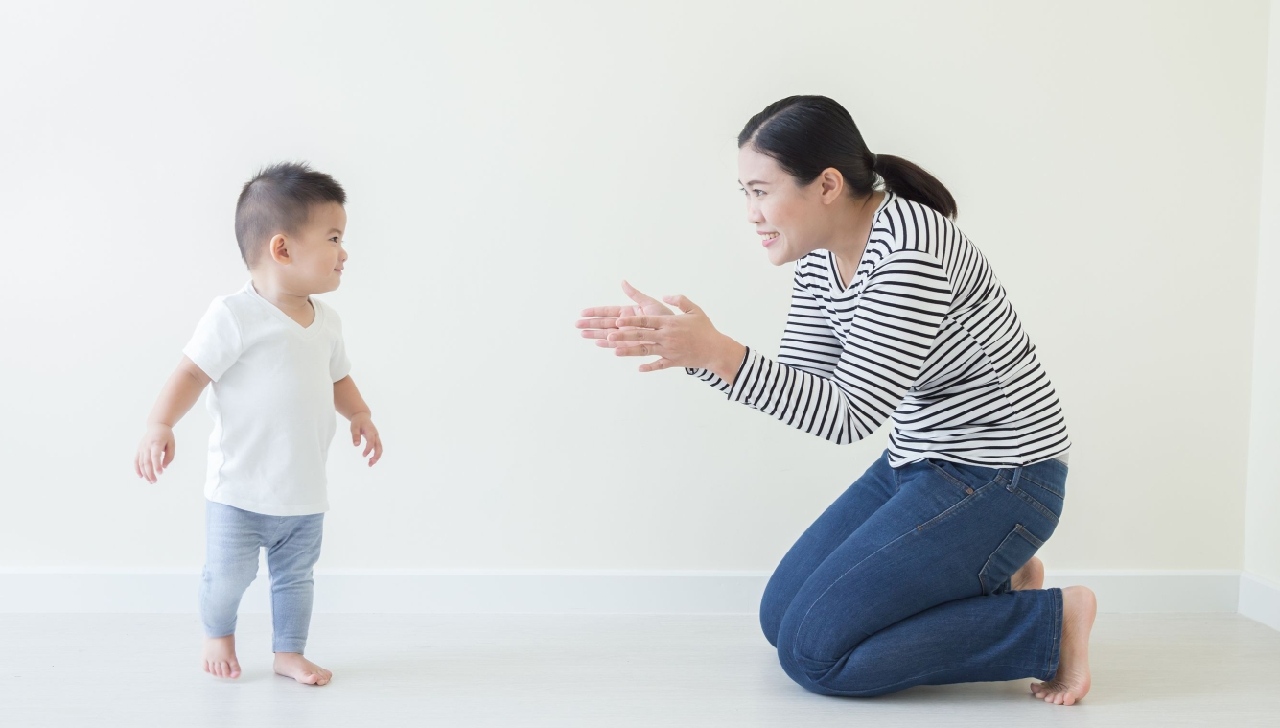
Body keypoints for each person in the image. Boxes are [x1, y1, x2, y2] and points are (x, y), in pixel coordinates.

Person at [577, 95, 1095, 706]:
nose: (751, 213)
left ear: (827, 184)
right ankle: (1000, 577)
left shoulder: (910, 253)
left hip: (1004, 477)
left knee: (816, 656)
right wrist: (697, 352)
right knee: (781, 618)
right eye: (744, 192)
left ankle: (1048, 625)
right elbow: (802, 381)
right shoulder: (821, 255)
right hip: (918, 464)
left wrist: (717, 351)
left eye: (761, 190)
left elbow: (847, 415)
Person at [133, 162, 384, 686]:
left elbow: (339, 378)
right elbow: (191, 372)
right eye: (334, 238)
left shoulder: (327, 322)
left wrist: (359, 414)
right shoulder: (234, 316)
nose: (345, 252)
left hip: (303, 492)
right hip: (238, 492)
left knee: (295, 580)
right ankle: (218, 632)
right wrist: (161, 423)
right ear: (282, 249)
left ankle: (288, 651)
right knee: (228, 577)